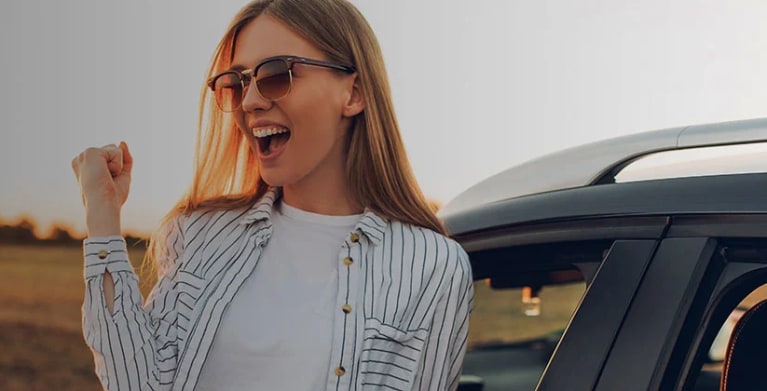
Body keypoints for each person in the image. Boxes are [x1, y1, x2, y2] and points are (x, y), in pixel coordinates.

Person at [71, 0, 474, 390]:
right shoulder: (200, 234)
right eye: (236, 84)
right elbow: (136, 383)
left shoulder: (433, 266)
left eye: (277, 75)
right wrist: (103, 214)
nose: (249, 102)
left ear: (354, 94)